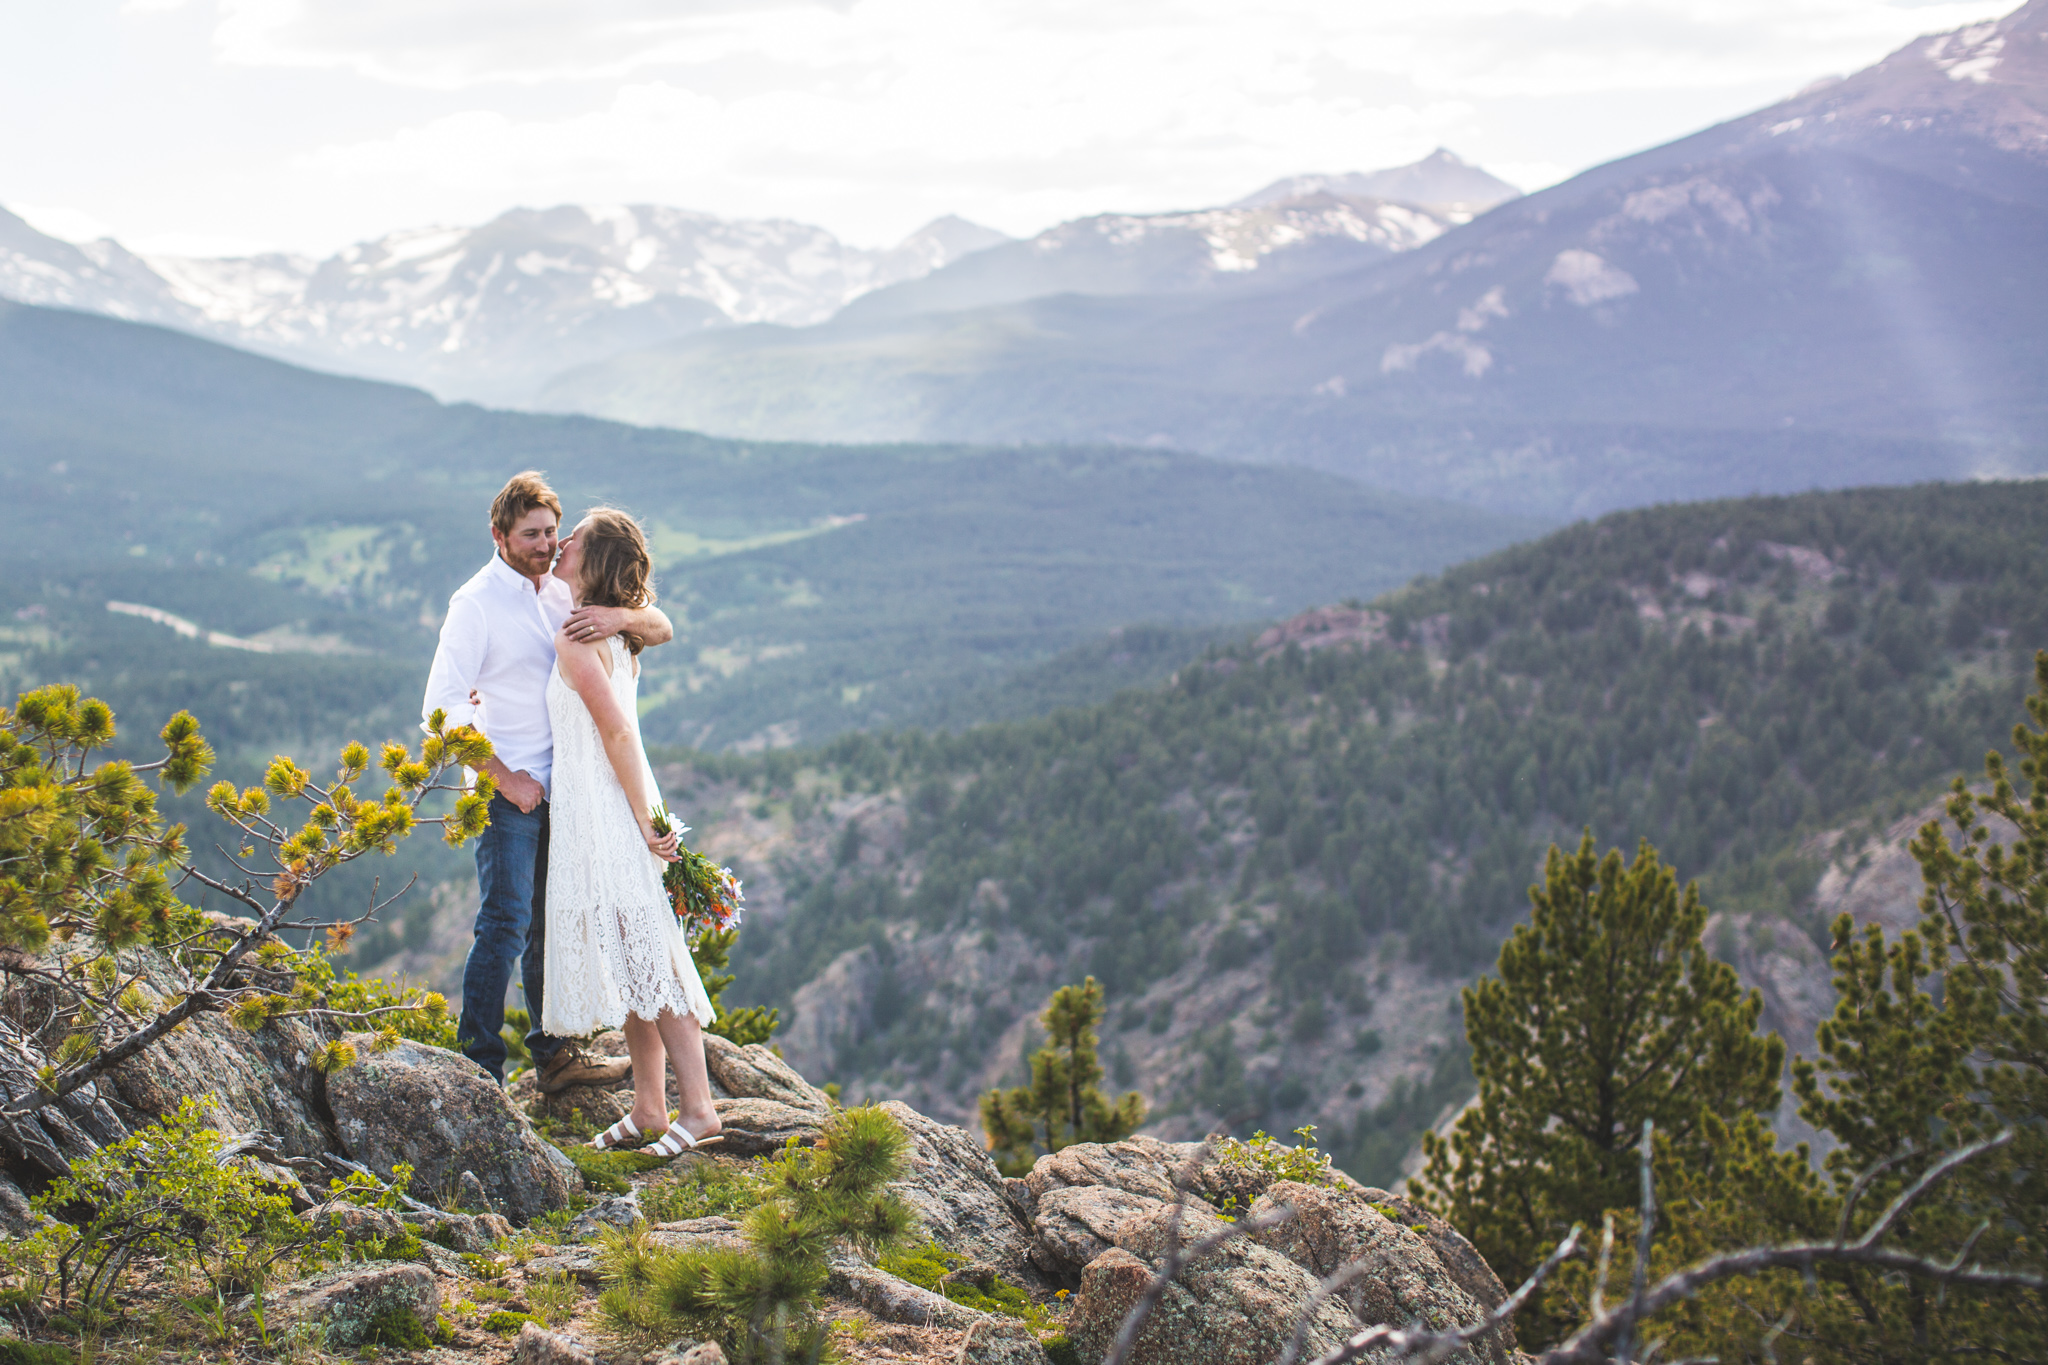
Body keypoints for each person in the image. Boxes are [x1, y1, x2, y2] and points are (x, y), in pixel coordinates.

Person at [421, 472, 675, 1090]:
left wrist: (618, 615)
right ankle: (479, 1067)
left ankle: (554, 1057)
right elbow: (439, 710)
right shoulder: (474, 603)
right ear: (498, 534)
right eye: (531, 534)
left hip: (568, 790)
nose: (545, 546)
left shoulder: (564, 591)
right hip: (510, 792)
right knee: (504, 923)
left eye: (552, 533)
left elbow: (661, 625)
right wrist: (504, 777)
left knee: (551, 923)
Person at [542, 508, 723, 1155]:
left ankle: (698, 1109)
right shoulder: (609, 627)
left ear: (595, 563)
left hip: (613, 812)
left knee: (651, 957)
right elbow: (658, 620)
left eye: (576, 539)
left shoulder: (579, 633)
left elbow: (616, 729)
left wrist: (647, 823)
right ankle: (650, 1106)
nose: (561, 543)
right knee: (630, 959)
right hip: (606, 810)